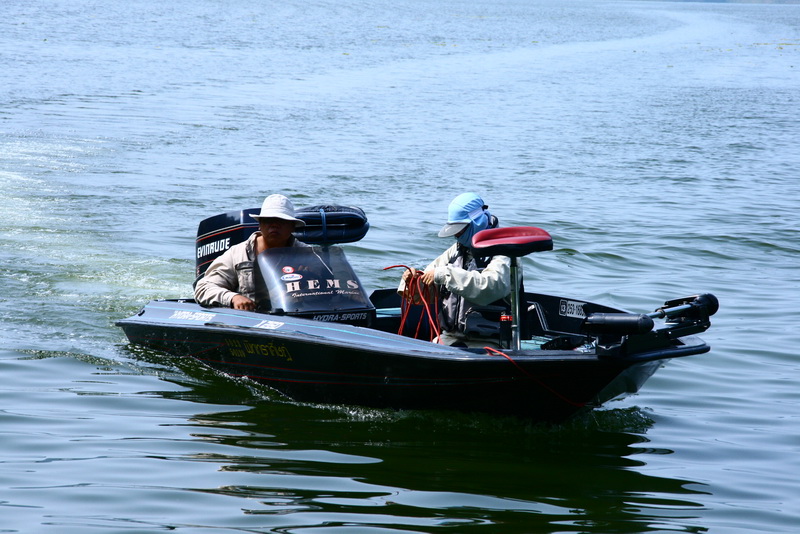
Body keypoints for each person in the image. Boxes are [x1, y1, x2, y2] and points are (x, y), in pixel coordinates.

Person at [399, 192, 511, 346]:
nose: (456, 235)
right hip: (451, 337)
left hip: (490, 341)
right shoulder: (456, 250)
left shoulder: (505, 252)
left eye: (461, 229)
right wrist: (413, 282)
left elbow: (489, 288)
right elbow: (427, 290)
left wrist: (445, 274)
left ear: (476, 222)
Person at [195, 194, 310, 311]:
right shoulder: (238, 254)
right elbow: (203, 288)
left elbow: (328, 291)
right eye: (268, 220)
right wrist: (233, 298)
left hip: (294, 320)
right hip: (249, 321)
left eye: (281, 221)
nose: (274, 225)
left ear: (292, 226)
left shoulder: (308, 255)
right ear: (260, 225)